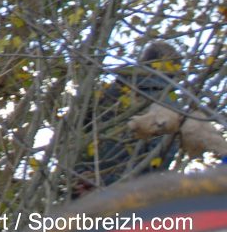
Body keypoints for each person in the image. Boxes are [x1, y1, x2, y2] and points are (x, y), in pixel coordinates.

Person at [73, 40, 183, 196]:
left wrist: (81, 173)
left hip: (87, 186)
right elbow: (162, 154)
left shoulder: (109, 93)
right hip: (126, 194)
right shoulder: (168, 106)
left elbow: (78, 134)